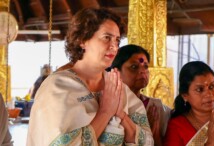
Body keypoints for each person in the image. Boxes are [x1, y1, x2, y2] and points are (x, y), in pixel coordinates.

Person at [27, 8, 153, 146]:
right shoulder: (57, 86)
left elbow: (147, 141)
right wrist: (105, 112)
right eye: (107, 38)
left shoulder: (117, 87)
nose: (114, 47)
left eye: (117, 40)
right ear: (82, 40)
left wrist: (121, 115)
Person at [111, 44, 171, 146]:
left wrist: (154, 135)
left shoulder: (156, 107)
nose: (142, 71)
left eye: (146, 66)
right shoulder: (108, 104)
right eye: (134, 67)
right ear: (117, 71)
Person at [163, 61, 214, 146]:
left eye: (211, 87)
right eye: (200, 89)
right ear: (185, 95)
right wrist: (210, 143)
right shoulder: (177, 127)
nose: (209, 94)